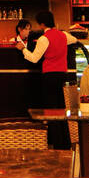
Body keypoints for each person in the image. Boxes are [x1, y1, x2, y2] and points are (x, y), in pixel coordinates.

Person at [22, 9, 76, 149]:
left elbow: (34, 58)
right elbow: (75, 40)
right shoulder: (64, 35)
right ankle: (66, 143)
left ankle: (57, 144)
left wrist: (22, 49)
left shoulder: (44, 38)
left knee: (52, 112)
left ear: (41, 24)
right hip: (63, 76)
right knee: (62, 110)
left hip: (50, 76)